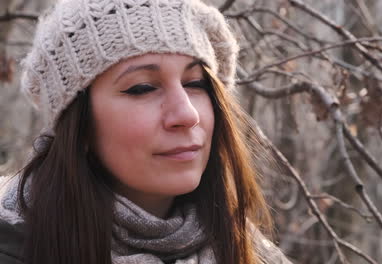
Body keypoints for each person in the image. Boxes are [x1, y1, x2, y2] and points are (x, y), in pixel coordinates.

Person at [0, 0, 293, 263]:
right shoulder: (15, 246)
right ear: (79, 125)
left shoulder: (251, 252)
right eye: (142, 88)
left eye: (195, 83)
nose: (187, 114)